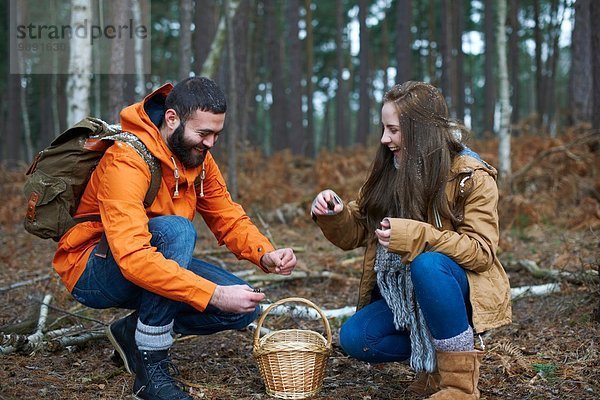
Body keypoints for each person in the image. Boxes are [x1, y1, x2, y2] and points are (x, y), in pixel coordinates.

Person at [52, 77, 297, 400]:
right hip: (93, 269)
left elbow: (226, 215)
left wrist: (264, 254)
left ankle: (130, 332)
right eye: (203, 133)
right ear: (172, 119)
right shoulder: (127, 160)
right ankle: (150, 371)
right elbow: (134, 258)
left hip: (154, 257)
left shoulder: (197, 157)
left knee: (242, 309)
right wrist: (212, 293)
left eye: (216, 135)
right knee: (178, 231)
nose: (210, 143)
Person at [311, 81, 511, 400]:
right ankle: (433, 361)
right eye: (384, 128)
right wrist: (333, 214)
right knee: (356, 338)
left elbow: (481, 252)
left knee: (428, 264)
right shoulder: (391, 169)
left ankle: (459, 386)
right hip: (404, 297)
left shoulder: (470, 177)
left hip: (457, 287)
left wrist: (414, 236)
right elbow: (359, 229)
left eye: (393, 129)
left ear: (421, 131)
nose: (384, 139)